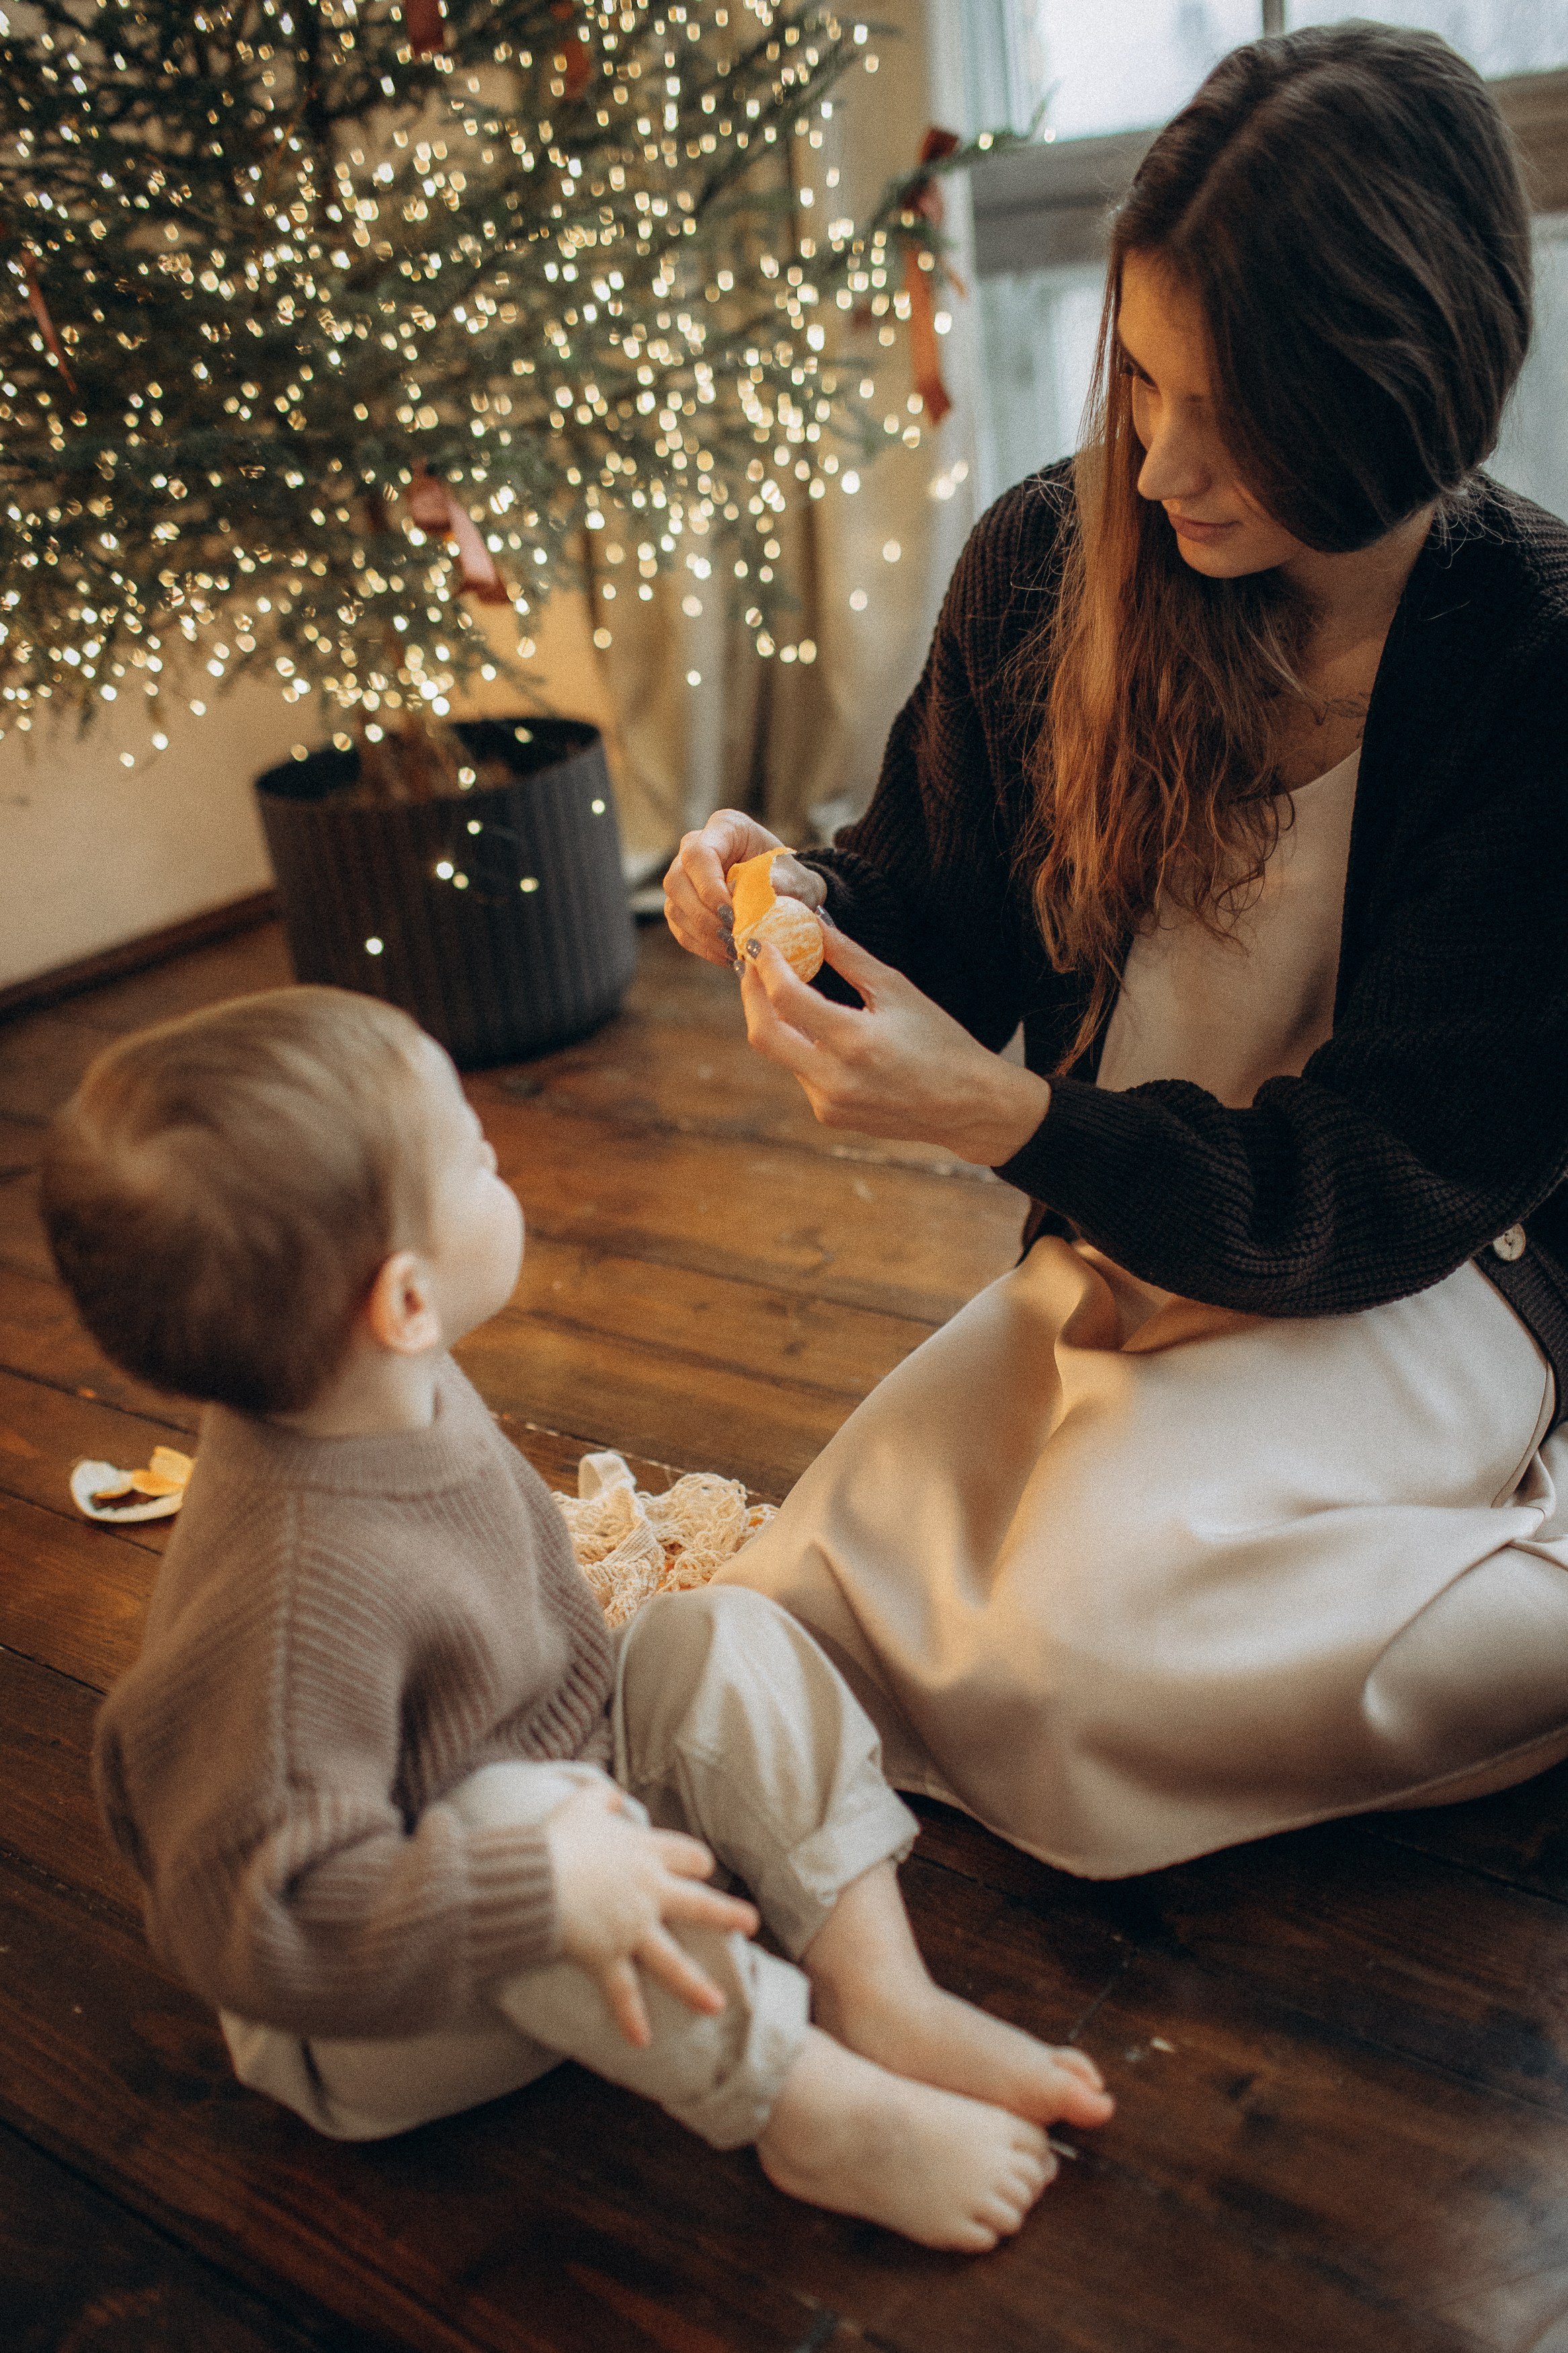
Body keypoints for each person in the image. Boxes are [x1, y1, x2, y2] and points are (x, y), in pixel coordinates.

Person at [663, 23, 1568, 1877]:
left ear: (1400, 397)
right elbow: (929, 906)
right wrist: (792, 901)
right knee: (800, 1600)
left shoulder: (1535, 668)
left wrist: (1010, 1124)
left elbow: (1366, 1187)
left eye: (1233, 413)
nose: (1157, 462)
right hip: (1136, 1226)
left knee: (1065, 1652)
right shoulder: (1044, 565)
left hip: (1429, 1272)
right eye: (1140, 380)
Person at [40, 987, 1114, 2253]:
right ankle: (805, 2107)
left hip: (529, 1806)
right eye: (477, 1159)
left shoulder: (359, 1379)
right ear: (403, 1305)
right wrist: (536, 1883)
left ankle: (876, 1992)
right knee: (516, 1818)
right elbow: (259, 1921)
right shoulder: (286, 1610)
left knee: (723, 1634)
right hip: (368, 2009)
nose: (500, 1163)